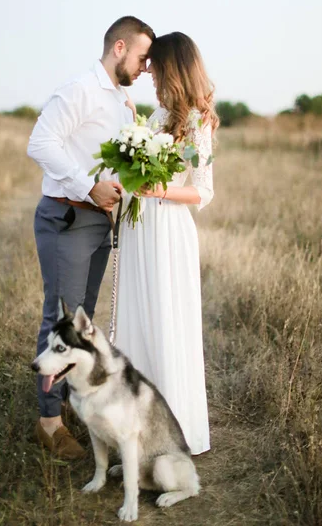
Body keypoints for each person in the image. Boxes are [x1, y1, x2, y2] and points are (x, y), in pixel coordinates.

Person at [27, 16, 155, 458]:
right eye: (142, 57)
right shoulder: (79, 89)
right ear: (119, 47)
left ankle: (68, 404)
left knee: (82, 320)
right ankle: (48, 423)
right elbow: (40, 143)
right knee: (58, 319)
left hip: (100, 223)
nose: (144, 67)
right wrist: (87, 187)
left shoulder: (123, 102)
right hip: (67, 218)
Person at [115, 32, 219, 455]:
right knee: (138, 321)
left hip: (169, 232)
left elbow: (203, 191)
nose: (150, 71)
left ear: (172, 68)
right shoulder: (157, 115)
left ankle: (171, 438)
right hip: (141, 230)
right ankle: (137, 439)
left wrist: (159, 192)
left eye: (155, 65)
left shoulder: (197, 120)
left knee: (165, 323)